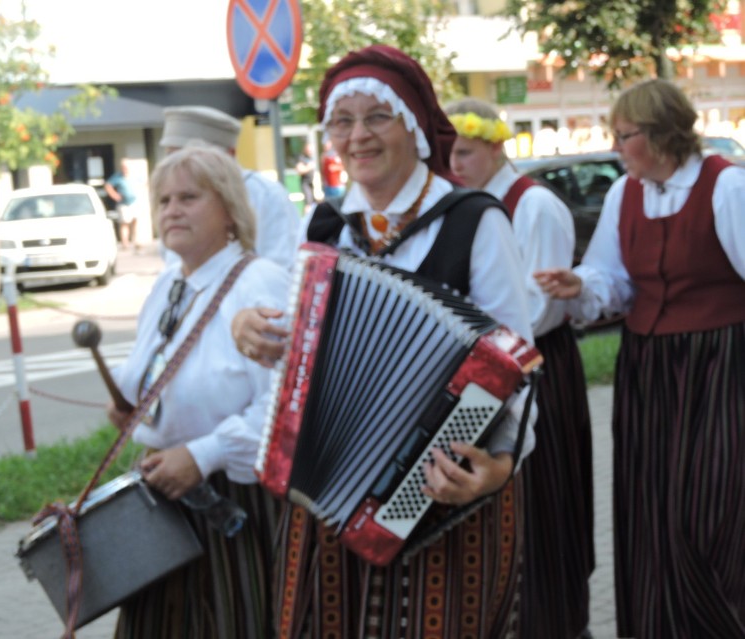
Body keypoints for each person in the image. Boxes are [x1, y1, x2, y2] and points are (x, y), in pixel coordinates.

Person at [232, 44, 537, 638]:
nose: (357, 137)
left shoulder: (475, 220)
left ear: (415, 126)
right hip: (328, 501)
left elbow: (518, 368)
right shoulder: (323, 225)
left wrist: (498, 468)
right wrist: (248, 329)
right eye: (342, 122)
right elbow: (298, 351)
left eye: (377, 117)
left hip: (445, 502)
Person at [535, 78, 745, 639]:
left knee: (712, 508)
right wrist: (576, 284)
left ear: (659, 136)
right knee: (650, 508)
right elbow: (614, 279)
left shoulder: (726, 188)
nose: (616, 146)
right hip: (646, 370)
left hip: (719, 367)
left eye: (623, 135)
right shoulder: (624, 194)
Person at [108, 145, 290, 638]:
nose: (172, 210)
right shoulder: (168, 285)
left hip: (233, 504)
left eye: (189, 197)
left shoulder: (261, 284)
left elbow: (282, 413)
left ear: (229, 208)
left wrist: (204, 454)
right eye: (163, 200)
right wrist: (132, 408)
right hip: (164, 496)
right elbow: (151, 374)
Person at [447, 97, 595, 639]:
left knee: (548, 498)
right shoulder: (467, 204)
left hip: (539, 368)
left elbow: (538, 308)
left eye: (464, 152)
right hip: (491, 369)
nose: (454, 164)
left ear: (492, 145)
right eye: (449, 154)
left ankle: (558, 620)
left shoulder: (533, 206)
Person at [160, 105, 299, 269]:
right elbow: (172, 260)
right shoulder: (171, 193)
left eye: (191, 159)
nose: (173, 210)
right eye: (171, 157)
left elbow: (281, 264)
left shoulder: (265, 193)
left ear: (230, 155)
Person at [104, 158, 140, 250]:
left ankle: (136, 241)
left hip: (134, 202)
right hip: (123, 203)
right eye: (124, 167)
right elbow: (108, 186)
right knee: (124, 223)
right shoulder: (118, 177)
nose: (125, 168)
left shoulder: (133, 176)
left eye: (127, 167)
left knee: (135, 222)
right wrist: (115, 195)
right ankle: (125, 243)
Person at [294, 141, 316, 212]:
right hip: (305, 184)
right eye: (309, 150)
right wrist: (309, 167)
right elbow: (299, 170)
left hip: (311, 184)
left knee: (313, 203)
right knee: (308, 204)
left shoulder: (310, 158)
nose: (311, 151)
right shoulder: (302, 158)